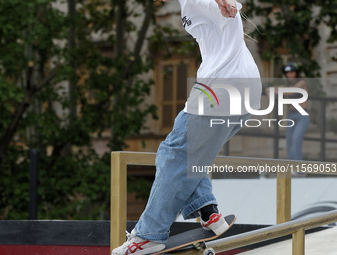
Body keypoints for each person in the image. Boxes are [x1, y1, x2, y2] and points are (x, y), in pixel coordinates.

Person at [112, 0, 262, 254]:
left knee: (174, 154)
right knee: (193, 152)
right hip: (247, 92)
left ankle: (149, 234)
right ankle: (208, 211)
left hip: (222, 87)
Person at [282, 62, 310, 160]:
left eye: (292, 72)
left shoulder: (302, 82)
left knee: (296, 139)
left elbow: (292, 91)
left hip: (302, 115)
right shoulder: (287, 85)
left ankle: (298, 169)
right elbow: (273, 90)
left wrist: (274, 90)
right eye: (287, 73)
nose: (289, 75)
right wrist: (270, 90)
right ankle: (292, 167)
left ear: (296, 73)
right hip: (291, 115)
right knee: (289, 141)